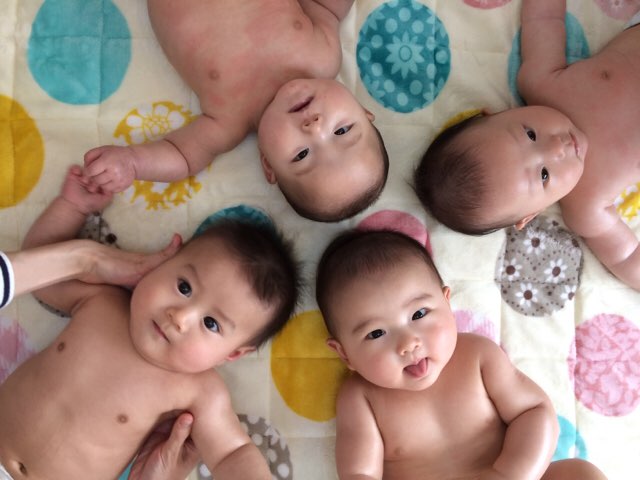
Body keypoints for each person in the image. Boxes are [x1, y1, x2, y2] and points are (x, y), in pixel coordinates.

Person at [0, 165, 301, 480]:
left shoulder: (200, 390)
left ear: (233, 353)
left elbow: (232, 454)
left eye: (211, 324)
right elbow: (38, 270)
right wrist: (73, 207)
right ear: (163, 262)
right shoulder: (102, 302)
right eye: (184, 287)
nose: (180, 317)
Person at [315, 229, 608, 480]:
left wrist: (509, 474)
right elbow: (359, 473)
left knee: (579, 473)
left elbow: (534, 412)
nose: (408, 343)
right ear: (345, 354)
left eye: (419, 314)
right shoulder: (360, 396)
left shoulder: (477, 355)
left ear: (447, 302)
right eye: (376, 333)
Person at [82, 0, 389, 223]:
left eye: (302, 155)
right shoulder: (322, 56)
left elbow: (182, 157)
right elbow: (327, 7)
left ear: (267, 163)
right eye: (342, 130)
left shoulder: (228, 122)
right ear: (364, 110)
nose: (315, 127)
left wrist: (133, 163)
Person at [413, 0, 640, 290]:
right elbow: (628, 257)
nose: (557, 147)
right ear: (531, 215)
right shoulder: (586, 209)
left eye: (530, 134)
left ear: (493, 114)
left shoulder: (540, 81)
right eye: (544, 175)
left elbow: (544, 17)